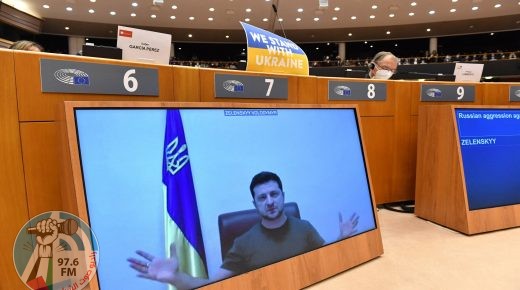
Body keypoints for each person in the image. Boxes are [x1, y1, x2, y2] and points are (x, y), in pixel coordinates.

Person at [128, 171, 360, 290]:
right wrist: (176, 278)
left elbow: (323, 260)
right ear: (255, 205)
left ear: (283, 196)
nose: (269, 201)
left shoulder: (305, 228)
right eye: (262, 197)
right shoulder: (244, 243)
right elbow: (210, 285)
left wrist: (342, 239)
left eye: (274, 194)